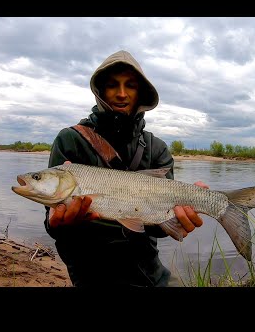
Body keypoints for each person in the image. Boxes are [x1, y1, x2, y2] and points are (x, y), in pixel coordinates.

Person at [44, 50, 207, 287]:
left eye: (130, 85)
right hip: (91, 273)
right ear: (100, 91)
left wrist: (177, 221)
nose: (121, 94)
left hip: (148, 271)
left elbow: (156, 231)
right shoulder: (70, 140)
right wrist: (57, 223)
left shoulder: (156, 148)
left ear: (140, 92)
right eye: (112, 85)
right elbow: (53, 226)